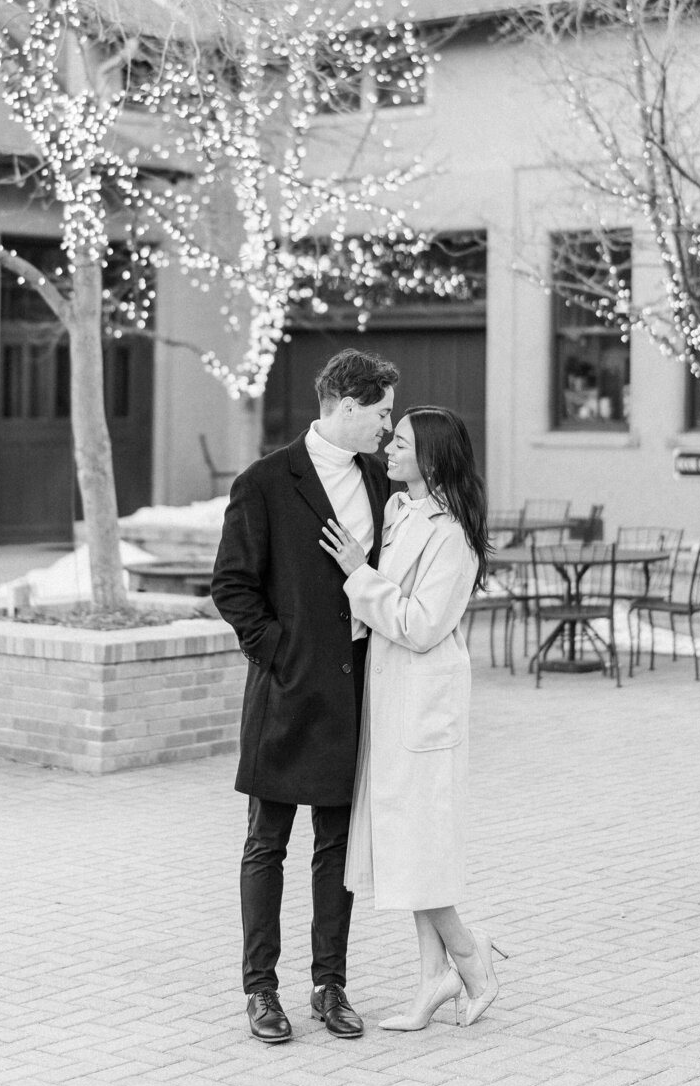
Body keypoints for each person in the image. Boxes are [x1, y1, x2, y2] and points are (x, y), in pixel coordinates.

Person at [212, 348, 398, 1044]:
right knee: (267, 841)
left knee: (337, 844)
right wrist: (280, 653)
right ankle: (261, 990)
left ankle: (330, 985)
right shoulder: (263, 482)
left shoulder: (382, 484)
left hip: (353, 692)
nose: (387, 426)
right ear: (346, 406)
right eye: (380, 413)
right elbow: (232, 585)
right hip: (287, 693)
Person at [320, 406, 502, 1030]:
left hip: (424, 706)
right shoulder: (401, 513)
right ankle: (433, 980)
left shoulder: (451, 534)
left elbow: (422, 625)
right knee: (408, 847)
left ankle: (471, 961)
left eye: (400, 443)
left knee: (420, 850)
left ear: (431, 456)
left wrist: (357, 576)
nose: (388, 450)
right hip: (391, 702)